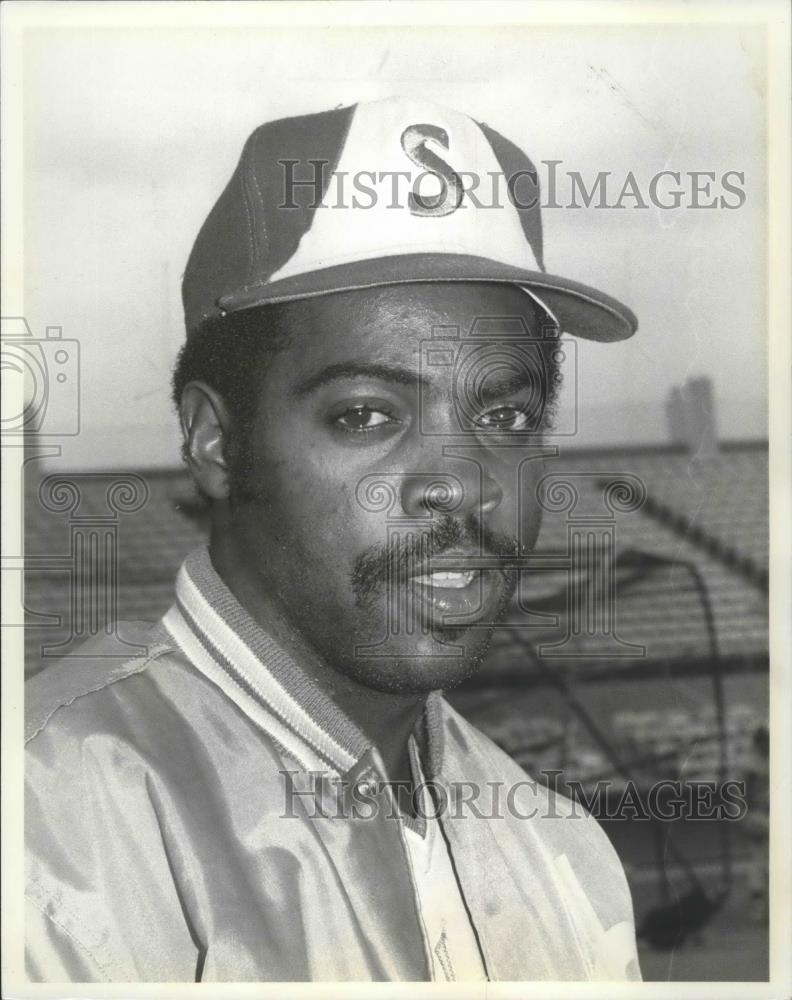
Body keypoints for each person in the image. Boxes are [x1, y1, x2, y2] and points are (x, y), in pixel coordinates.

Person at [25, 97, 642, 982]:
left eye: (505, 414)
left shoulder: (561, 848)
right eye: (366, 415)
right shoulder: (48, 824)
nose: (462, 482)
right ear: (215, 442)